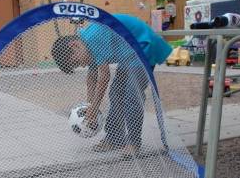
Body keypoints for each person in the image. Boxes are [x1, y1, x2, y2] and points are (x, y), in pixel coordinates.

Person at [51, 14, 172, 156]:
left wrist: (94, 108)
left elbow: (104, 77)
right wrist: (90, 106)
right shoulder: (85, 43)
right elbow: (91, 78)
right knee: (116, 94)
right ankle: (115, 139)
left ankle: (133, 142)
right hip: (127, 55)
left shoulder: (93, 38)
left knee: (132, 96)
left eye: (77, 62)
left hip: (143, 47)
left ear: (74, 45)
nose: (82, 65)